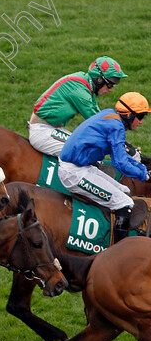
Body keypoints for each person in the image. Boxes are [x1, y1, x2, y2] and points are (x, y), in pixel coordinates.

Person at [58, 92, 151, 243]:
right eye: (140, 116)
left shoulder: (110, 115)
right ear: (128, 115)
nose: (141, 122)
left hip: (82, 168)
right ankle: (118, 250)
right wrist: (144, 176)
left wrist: (142, 169)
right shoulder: (116, 127)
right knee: (125, 203)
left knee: (125, 192)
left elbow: (121, 156)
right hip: (73, 172)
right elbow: (120, 163)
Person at [29, 56, 127, 156]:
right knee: (84, 153)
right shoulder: (79, 90)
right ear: (99, 80)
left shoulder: (84, 84)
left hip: (51, 128)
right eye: (110, 85)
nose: (110, 89)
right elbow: (99, 120)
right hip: (42, 131)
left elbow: (101, 116)